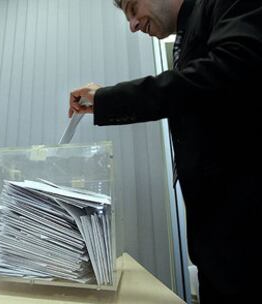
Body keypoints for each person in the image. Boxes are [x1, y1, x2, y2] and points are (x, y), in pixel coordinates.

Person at [69, 0, 261, 302]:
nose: (132, 25)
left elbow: (223, 72)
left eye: (132, 8)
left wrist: (109, 98)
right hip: (218, 252)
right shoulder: (185, 37)